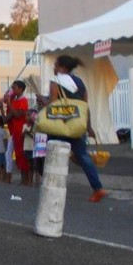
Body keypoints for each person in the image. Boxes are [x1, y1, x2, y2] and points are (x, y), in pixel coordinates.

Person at [48, 54, 107, 202]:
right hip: (78, 124)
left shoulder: (55, 82)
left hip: (61, 126)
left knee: (54, 154)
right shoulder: (80, 83)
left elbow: (53, 106)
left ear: (62, 67)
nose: (54, 68)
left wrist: (44, 101)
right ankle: (98, 188)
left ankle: (54, 189)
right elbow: (85, 107)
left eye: (56, 65)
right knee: (83, 155)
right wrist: (89, 126)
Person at [3, 79, 33, 186]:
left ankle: (26, 179)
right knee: (17, 155)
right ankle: (22, 179)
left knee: (22, 154)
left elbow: (17, 114)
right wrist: (6, 104)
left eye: (14, 88)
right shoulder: (14, 101)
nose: (13, 90)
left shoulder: (23, 101)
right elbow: (8, 117)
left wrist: (9, 103)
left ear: (21, 89)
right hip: (14, 131)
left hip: (21, 130)